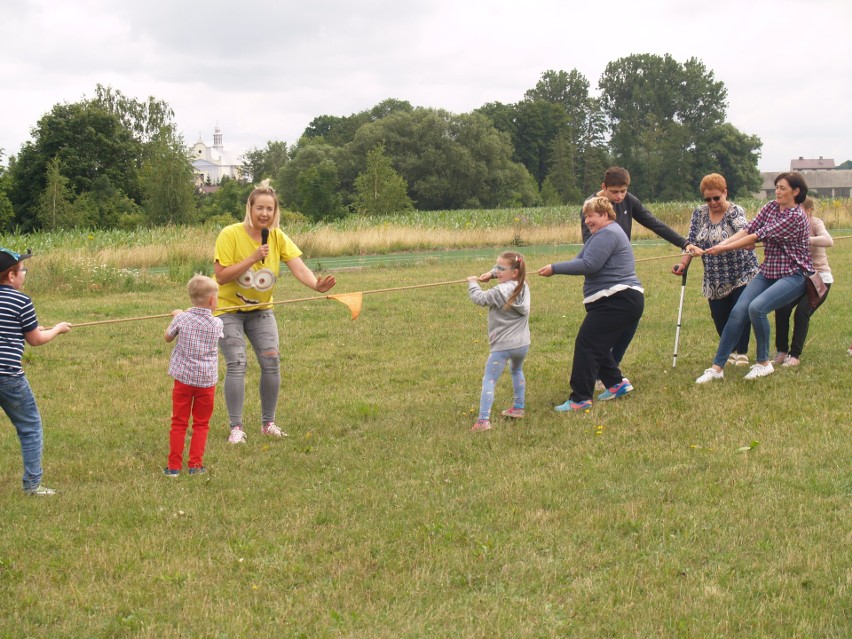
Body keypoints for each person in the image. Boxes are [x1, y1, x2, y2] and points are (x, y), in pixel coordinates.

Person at [214, 184, 335, 444]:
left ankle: (268, 424)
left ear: (275, 211)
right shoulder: (230, 234)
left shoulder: (278, 236)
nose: (265, 213)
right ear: (250, 208)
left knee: (271, 362)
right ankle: (236, 428)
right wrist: (253, 257)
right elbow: (221, 277)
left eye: (270, 208)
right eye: (260, 208)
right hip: (228, 311)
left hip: (261, 311)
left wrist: (316, 285)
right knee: (237, 363)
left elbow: (298, 267)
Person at [695, 172, 812, 383]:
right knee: (738, 310)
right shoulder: (770, 207)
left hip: (793, 275)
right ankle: (717, 367)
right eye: (777, 187)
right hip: (768, 271)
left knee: (756, 308)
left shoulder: (795, 216)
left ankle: (763, 364)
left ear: (796, 191)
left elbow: (757, 236)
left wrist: (723, 248)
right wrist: (721, 246)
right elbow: (750, 228)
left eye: (783, 188)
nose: (778, 191)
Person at [539, 196, 644, 411]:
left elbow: (589, 264)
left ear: (605, 215)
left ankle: (580, 399)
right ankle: (616, 384)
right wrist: (554, 268)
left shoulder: (607, 233)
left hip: (617, 299)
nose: (587, 220)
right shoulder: (600, 236)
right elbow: (581, 260)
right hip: (620, 300)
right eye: (585, 216)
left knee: (586, 344)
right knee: (598, 344)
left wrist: (555, 268)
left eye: (591, 215)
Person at [581, 167, 688, 370]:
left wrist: (684, 243)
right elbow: (589, 244)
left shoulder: (629, 201)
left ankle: (612, 367)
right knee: (607, 327)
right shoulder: (591, 207)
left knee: (631, 318)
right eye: (615, 191)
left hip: (624, 273)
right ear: (603, 187)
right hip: (604, 276)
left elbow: (653, 223)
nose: (620, 196)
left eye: (623, 190)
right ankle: (601, 372)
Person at [0, 248, 71, 495]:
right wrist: (58, 329)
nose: (24, 274)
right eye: (23, 270)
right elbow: (36, 340)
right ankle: (32, 486)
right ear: (11, 276)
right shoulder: (22, 301)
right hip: (8, 376)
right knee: (30, 427)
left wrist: (29, 328)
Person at [673, 173, 759, 367]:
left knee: (740, 310)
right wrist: (683, 263)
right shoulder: (699, 213)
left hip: (742, 271)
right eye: (708, 199)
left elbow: (743, 233)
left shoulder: (735, 211)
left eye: (716, 198)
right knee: (720, 316)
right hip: (714, 275)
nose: (712, 202)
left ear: (725, 193)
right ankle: (730, 350)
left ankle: (742, 353)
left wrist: (725, 245)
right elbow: (691, 241)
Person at [163, 275, 224, 476]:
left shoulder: (182, 318)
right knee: (201, 424)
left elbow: (168, 337)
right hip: (206, 382)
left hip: (183, 380)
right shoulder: (217, 324)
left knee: (179, 422)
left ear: (191, 298)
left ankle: (173, 468)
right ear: (213, 301)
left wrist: (177, 315)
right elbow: (206, 320)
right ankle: (195, 466)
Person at [466, 252, 531, 433]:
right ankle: (518, 407)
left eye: (501, 269)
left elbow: (479, 299)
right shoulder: (523, 285)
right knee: (516, 370)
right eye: (497, 267)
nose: (498, 271)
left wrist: (473, 283)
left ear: (514, 273)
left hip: (503, 346)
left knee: (490, 379)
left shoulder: (499, 291)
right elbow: (503, 274)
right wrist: (492, 274)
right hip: (522, 344)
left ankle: (483, 421)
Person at [772, 196, 833, 367]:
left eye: (799, 210)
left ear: (808, 210)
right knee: (782, 307)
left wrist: (807, 240)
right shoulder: (790, 226)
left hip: (820, 279)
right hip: (799, 278)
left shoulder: (815, 223)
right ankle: (782, 351)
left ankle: (794, 356)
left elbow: (828, 240)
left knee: (801, 312)